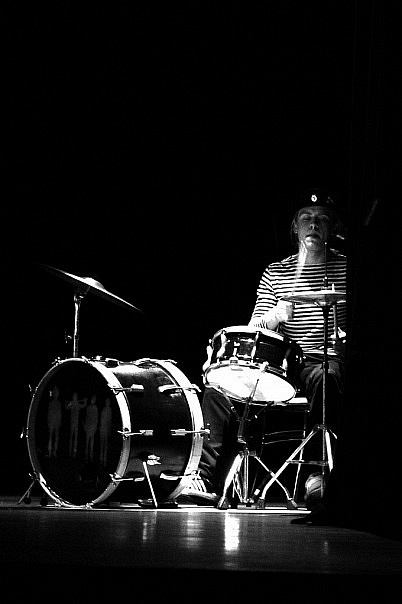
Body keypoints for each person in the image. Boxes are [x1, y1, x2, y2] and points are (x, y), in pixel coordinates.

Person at [180, 188, 347, 506]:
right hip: (284, 361)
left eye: (322, 219)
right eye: (306, 218)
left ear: (333, 228)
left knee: (326, 377)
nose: (313, 224)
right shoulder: (276, 271)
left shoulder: (347, 270)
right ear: (295, 227)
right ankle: (203, 477)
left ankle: (320, 475)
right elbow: (254, 329)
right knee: (217, 387)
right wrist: (275, 316)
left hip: (322, 361)